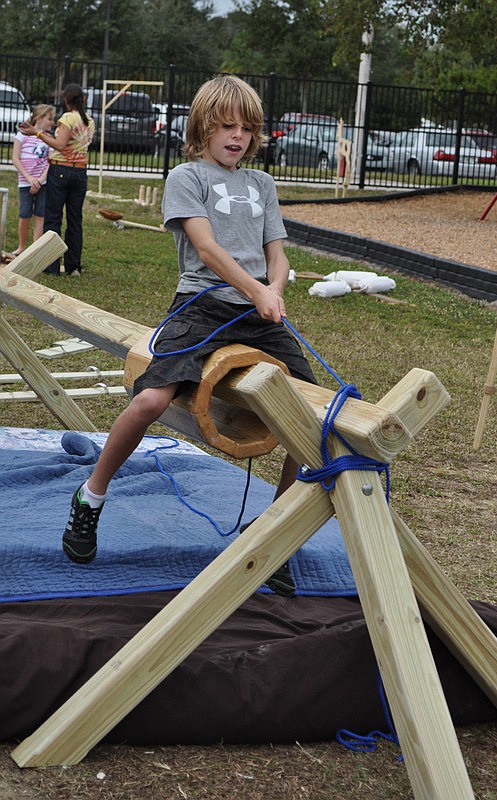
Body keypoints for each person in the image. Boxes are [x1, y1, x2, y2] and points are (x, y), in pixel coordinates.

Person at [61, 74, 317, 596]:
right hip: (201, 307)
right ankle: (90, 497)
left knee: (312, 416)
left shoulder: (262, 184)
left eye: (246, 128)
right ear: (203, 126)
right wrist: (257, 291)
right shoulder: (186, 176)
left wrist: (275, 288)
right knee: (151, 399)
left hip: (257, 310)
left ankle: (272, 531)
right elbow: (207, 251)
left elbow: (277, 252)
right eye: (226, 125)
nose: (237, 136)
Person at [19, 83, 95, 275]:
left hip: (61, 171)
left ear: (67, 99)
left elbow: (60, 145)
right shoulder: (90, 121)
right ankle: (73, 267)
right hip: (80, 173)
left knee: (53, 218)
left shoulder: (68, 118)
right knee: (75, 219)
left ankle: (51, 266)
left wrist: (37, 133)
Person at [11, 104, 55, 256]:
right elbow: (15, 158)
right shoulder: (22, 135)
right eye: (49, 119)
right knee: (24, 214)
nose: (52, 122)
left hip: (42, 184)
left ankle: (35, 250)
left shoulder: (49, 139)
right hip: (25, 182)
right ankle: (22, 247)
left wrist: (40, 180)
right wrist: (30, 179)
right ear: (38, 118)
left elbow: (50, 162)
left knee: (40, 215)